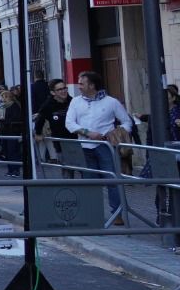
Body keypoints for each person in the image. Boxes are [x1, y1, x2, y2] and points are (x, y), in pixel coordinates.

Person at [66, 70, 135, 223]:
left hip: (106, 146)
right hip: (84, 147)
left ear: (92, 85)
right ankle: (93, 214)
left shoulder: (111, 102)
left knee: (112, 180)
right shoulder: (75, 102)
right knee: (89, 181)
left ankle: (117, 214)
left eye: (82, 83)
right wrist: (86, 132)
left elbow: (127, 122)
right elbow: (69, 123)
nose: (79, 86)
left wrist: (116, 134)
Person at [34, 77, 72, 160]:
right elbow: (40, 119)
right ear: (53, 92)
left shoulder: (72, 101)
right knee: (67, 169)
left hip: (76, 139)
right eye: (60, 89)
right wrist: (38, 133)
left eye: (64, 88)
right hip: (60, 141)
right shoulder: (47, 105)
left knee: (82, 168)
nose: (63, 91)